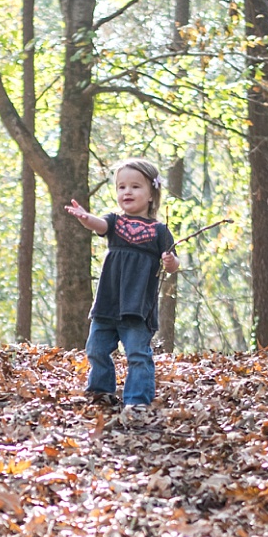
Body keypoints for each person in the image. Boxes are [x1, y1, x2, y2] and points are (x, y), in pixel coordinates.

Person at [65, 158, 180, 410]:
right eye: (121, 187)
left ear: (151, 194)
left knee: (137, 354)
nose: (127, 192)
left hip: (138, 306)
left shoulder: (160, 231)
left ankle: (137, 400)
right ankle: (101, 391)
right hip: (108, 301)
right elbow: (100, 225)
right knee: (96, 348)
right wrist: (86, 217)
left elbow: (173, 265)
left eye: (136, 187)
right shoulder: (116, 223)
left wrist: (170, 261)